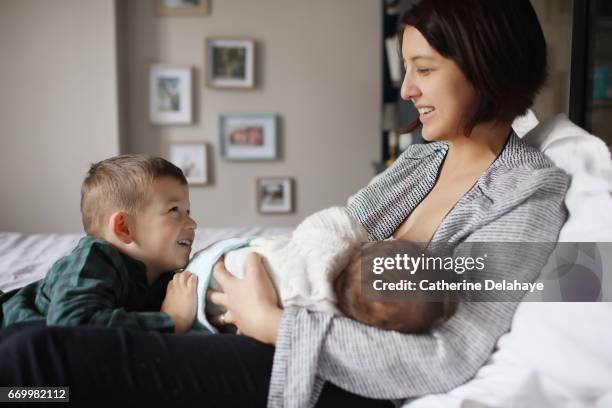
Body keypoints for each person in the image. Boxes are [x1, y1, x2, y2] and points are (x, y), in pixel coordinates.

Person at [0, 1, 570, 407]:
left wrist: (271, 322)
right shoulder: (424, 161)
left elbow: (445, 356)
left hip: (324, 371)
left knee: (38, 367)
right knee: (20, 335)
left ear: (484, 67)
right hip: (263, 320)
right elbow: (326, 237)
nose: (406, 90)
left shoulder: (520, 194)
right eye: (407, 70)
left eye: (424, 70)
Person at [1, 155, 199, 334]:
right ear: (124, 228)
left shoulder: (165, 278)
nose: (192, 224)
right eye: (174, 210)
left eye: (188, 212)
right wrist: (172, 320)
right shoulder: (95, 259)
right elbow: (73, 324)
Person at [188, 206, 449, 334]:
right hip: (217, 290)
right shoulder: (324, 315)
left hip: (221, 267)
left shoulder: (332, 243)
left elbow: (337, 217)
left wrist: (358, 237)